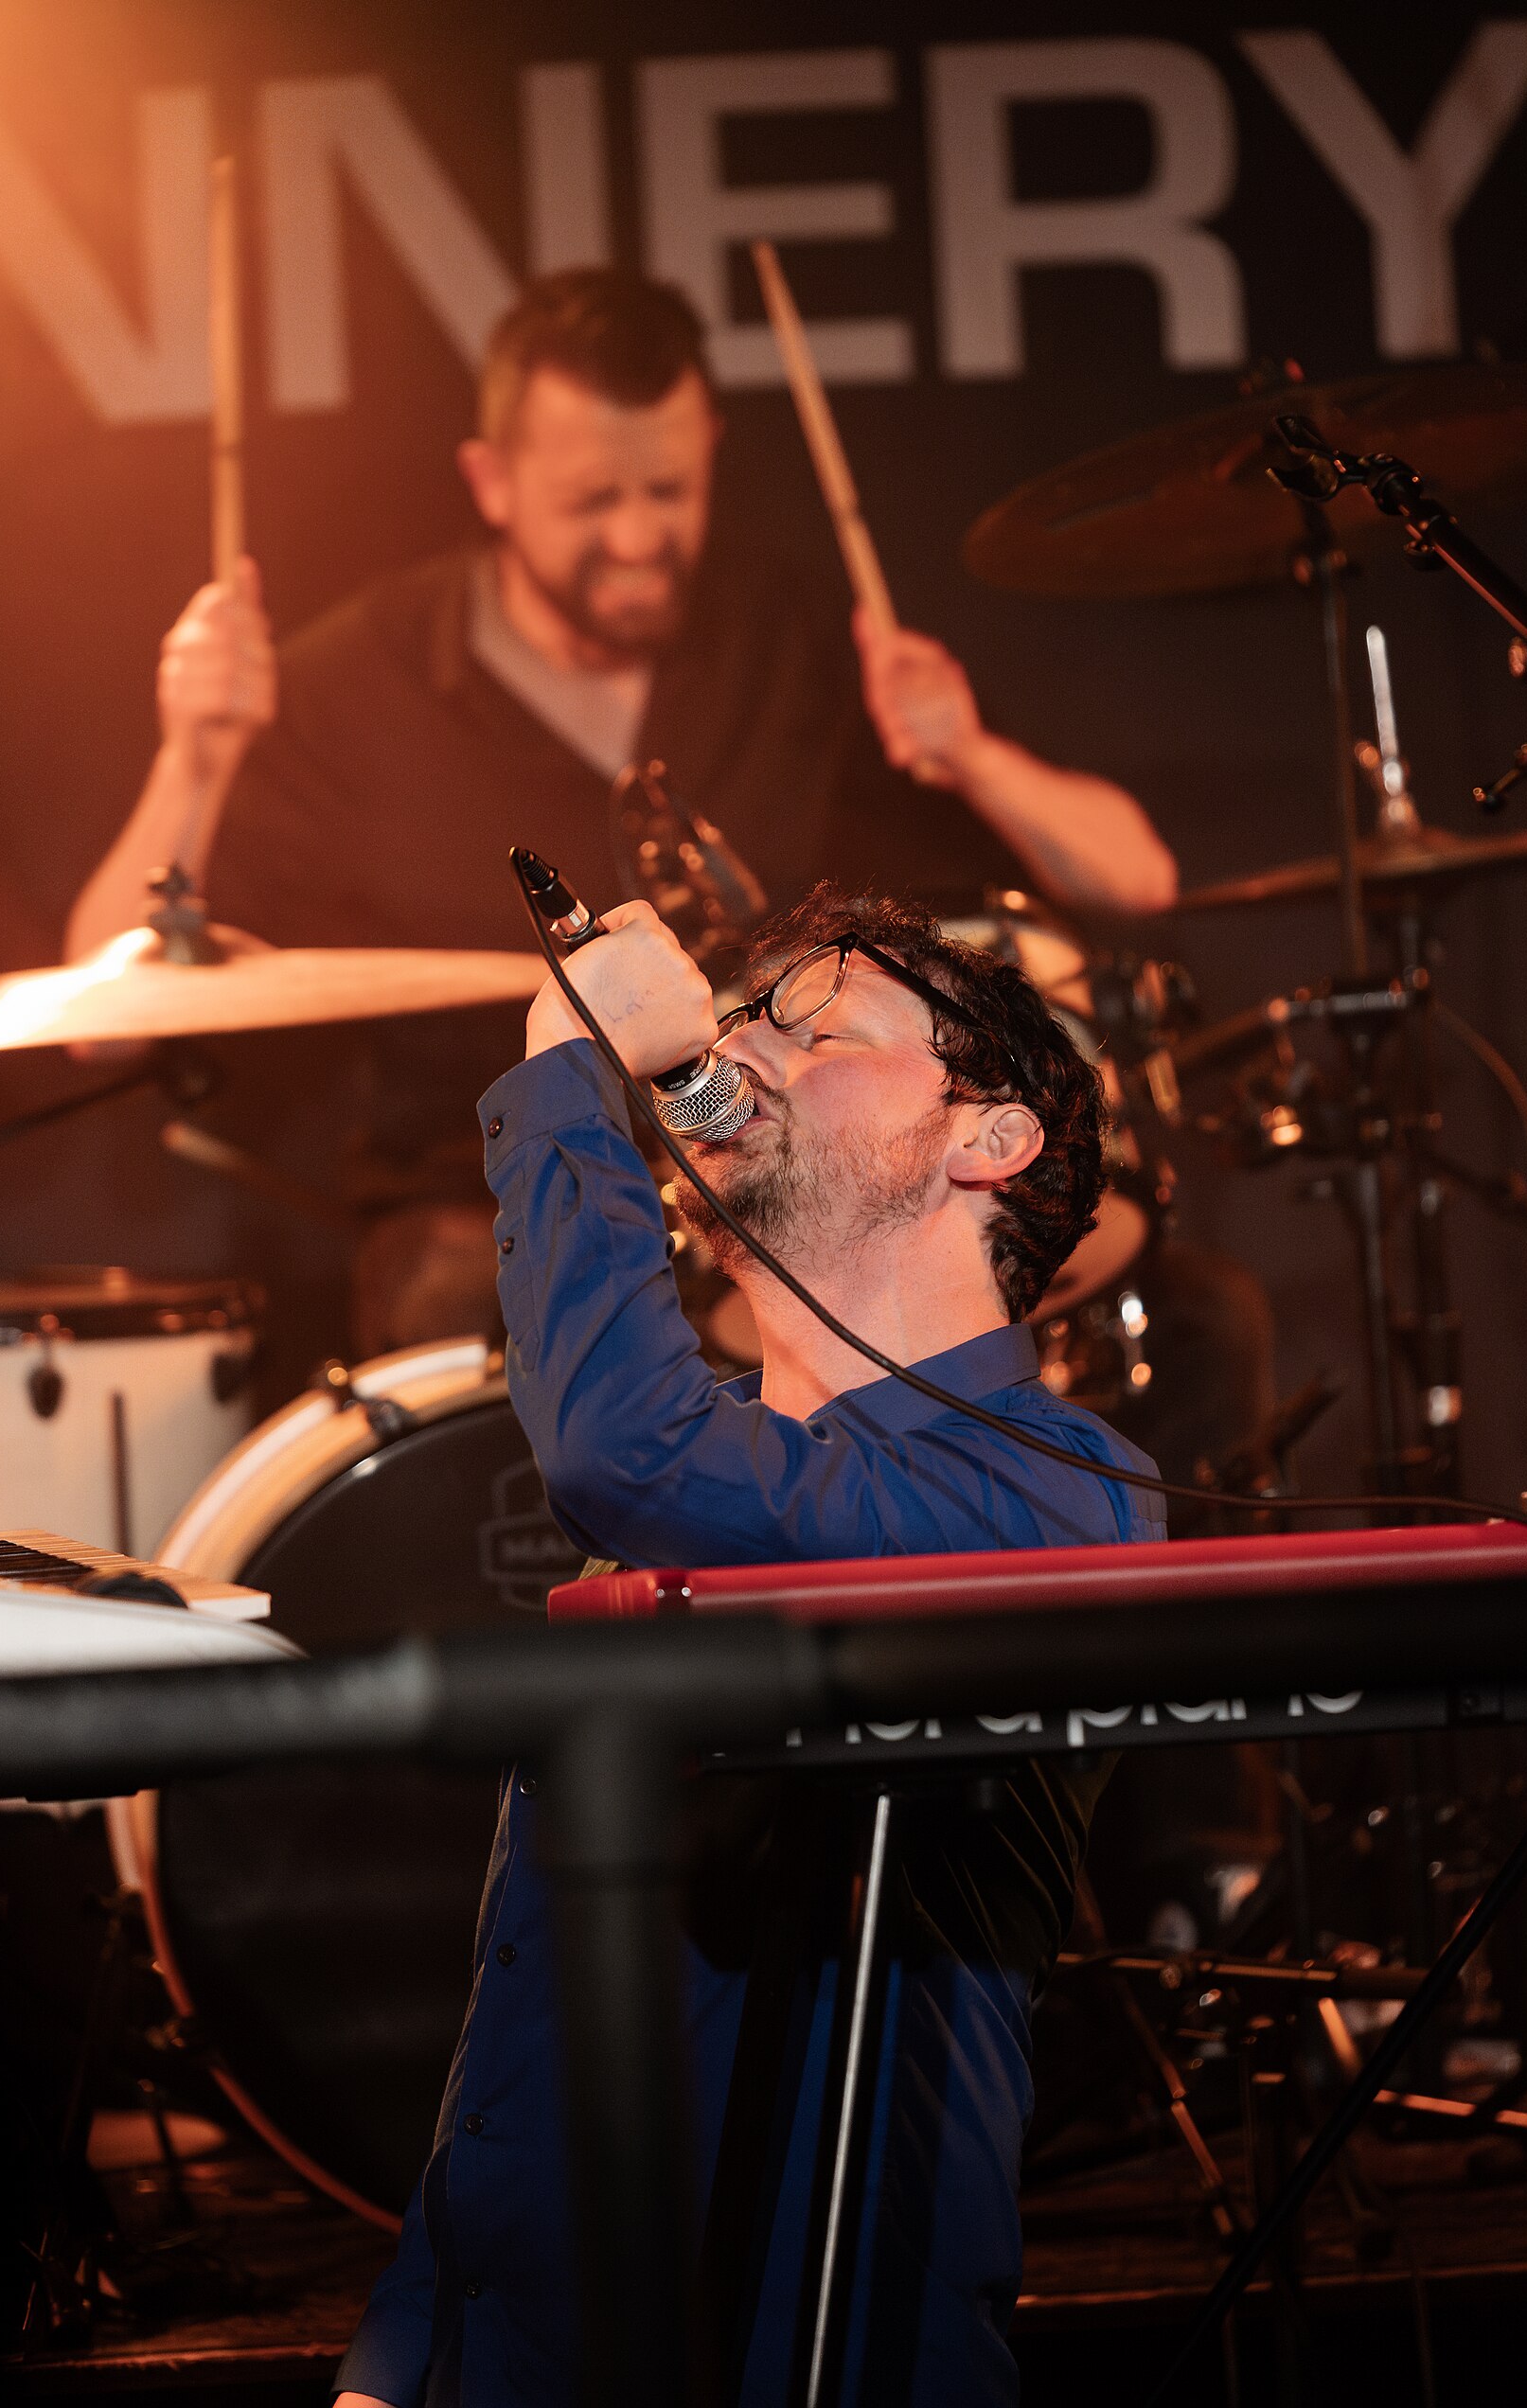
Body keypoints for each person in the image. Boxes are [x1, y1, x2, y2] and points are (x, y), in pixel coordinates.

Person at [333, 885, 1165, 2408]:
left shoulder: (1061, 1486)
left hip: (812, 2359)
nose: (740, 1047)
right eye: (740, 1018)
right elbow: (534, 2016)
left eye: (820, 1022)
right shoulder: (703, 1485)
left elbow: (623, 1449)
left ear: (991, 1141)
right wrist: (401, 2355)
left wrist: (570, 1072)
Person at [63, 270, 1178, 1351]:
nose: (640, 538)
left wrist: (971, 755)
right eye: (593, 501)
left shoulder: (790, 641)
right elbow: (86, 1020)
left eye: (669, 492)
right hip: (492, 1219)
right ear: (491, 482)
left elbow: (1135, 880)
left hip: (786, 1201)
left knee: (1187, 1323)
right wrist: (196, 763)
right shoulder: (351, 687)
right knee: (463, 1300)